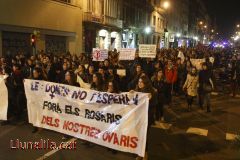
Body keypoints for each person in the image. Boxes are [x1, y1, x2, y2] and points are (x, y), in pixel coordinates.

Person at [134, 75, 157, 160]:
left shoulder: (151, 92)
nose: (139, 83)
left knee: (144, 136)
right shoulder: (138, 91)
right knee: (139, 136)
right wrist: (132, 94)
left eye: (141, 82)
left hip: (147, 118)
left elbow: (154, 106)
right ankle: (140, 153)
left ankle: (145, 154)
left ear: (146, 83)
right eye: (139, 82)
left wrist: (149, 100)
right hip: (138, 118)